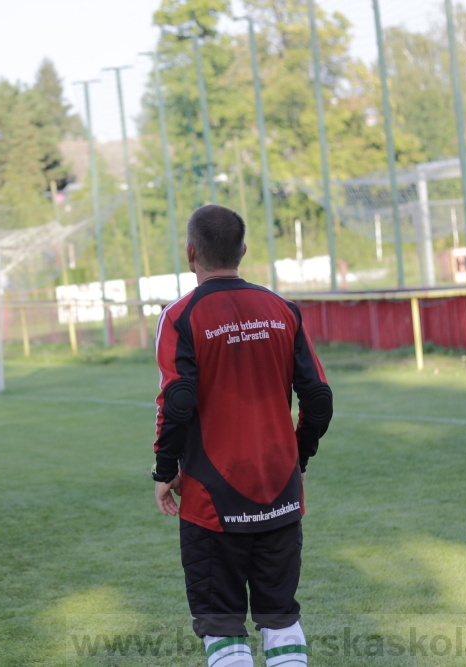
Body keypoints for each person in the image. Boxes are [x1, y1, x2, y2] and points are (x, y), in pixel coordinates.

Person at [152, 205, 333, 667]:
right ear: (243, 251)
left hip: (212, 496)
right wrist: (299, 456)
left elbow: (177, 401)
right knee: (280, 615)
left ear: (191, 252)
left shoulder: (181, 316)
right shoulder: (281, 309)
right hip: (281, 485)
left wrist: (165, 469)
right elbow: (318, 397)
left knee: (222, 623)